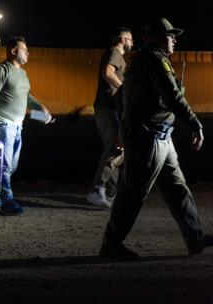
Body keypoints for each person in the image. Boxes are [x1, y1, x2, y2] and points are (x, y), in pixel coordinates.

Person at [100, 17, 212, 260]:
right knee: (133, 193)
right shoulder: (154, 60)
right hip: (148, 138)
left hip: (159, 137)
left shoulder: (143, 60)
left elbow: (124, 99)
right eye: (168, 35)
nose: (174, 39)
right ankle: (111, 244)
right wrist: (194, 122)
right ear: (153, 38)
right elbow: (172, 96)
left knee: (177, 189)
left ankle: (194, 238)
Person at [0, 36, 51, 215]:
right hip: (2, 125)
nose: (28, 53)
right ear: (13, 51)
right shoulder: (1, 70)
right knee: (5, 166)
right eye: (24, 50)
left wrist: (41, 108)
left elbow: (26, 96)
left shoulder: (22, 74)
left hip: (18, 127)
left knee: (11, 166)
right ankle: (7, 200)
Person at [87, 27, 133, 207]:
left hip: (111, 108)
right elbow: (108, 73)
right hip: (106, 108)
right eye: (130, 40)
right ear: (122, 40)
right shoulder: (115, 52)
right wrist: (124, 90)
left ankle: (108, 192)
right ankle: (97, 190)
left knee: (116, 149)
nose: (132, 43)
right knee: (116, 148)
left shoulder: (119, 56)